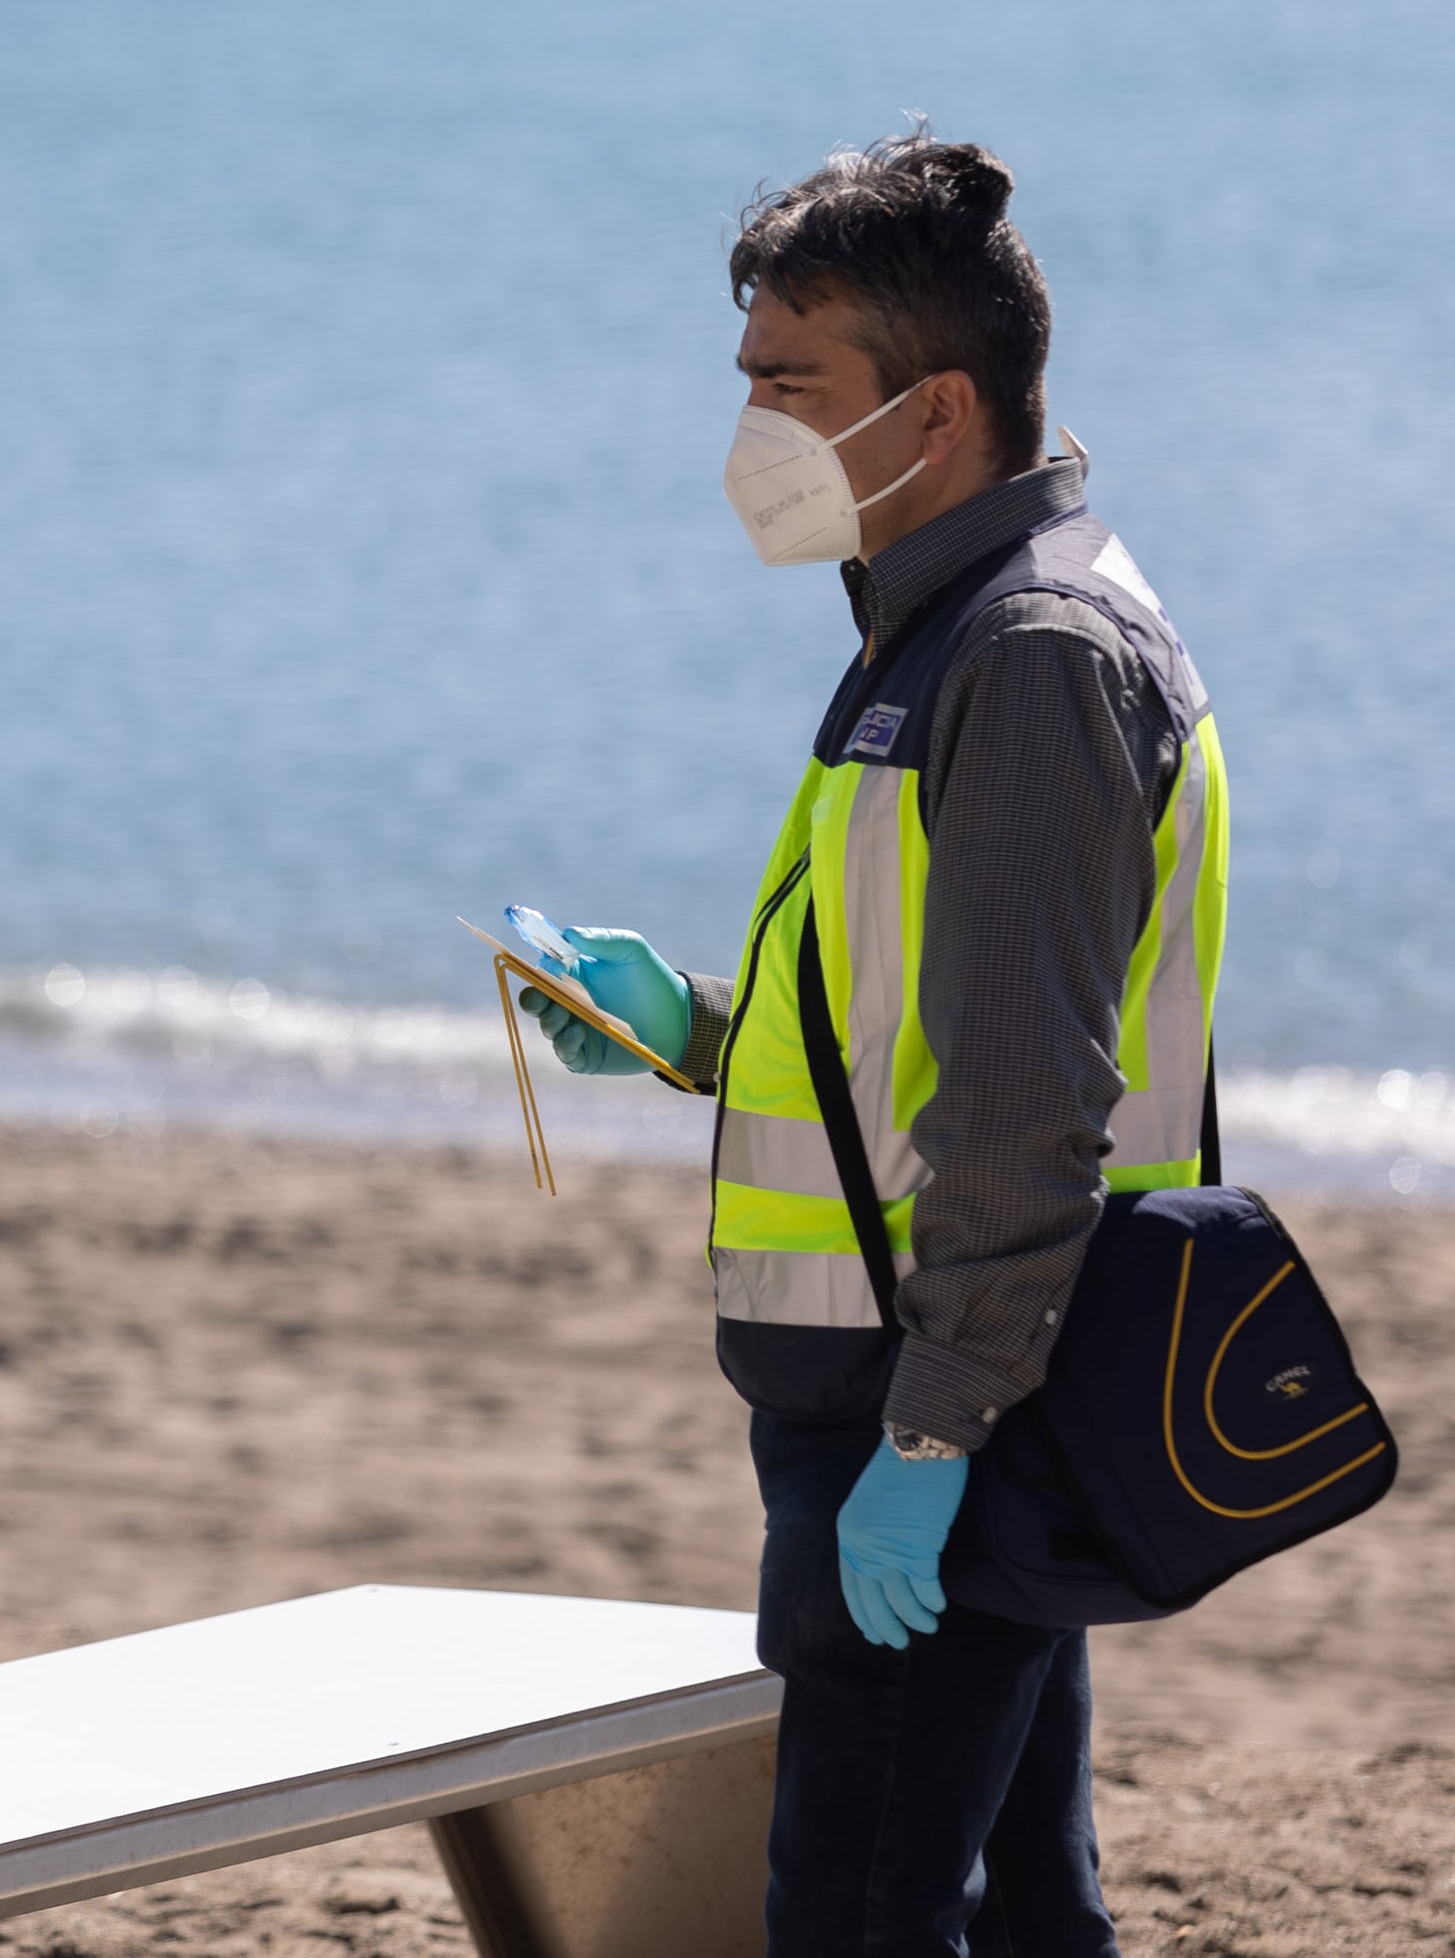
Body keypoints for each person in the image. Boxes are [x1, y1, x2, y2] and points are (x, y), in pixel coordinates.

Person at [521, 136, 1221, 1956]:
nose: (751, 429)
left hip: (946, 1401)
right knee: (1019, 1913)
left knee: (858, 1912)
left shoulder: (1036, 649)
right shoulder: (946, 626)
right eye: (746, 378)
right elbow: (919, 1021)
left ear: (938, 411)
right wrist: (686, 1029)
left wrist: (934, 1440)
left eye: (788, 387)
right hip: (944, 1385)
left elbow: (1029, 1096)